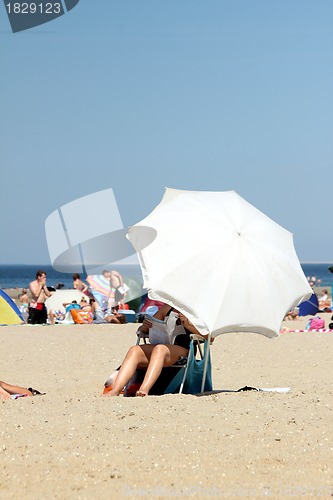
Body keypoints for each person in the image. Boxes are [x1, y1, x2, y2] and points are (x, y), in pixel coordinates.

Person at [105, 304, 206, 397]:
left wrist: (188, 325)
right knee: (134, 350)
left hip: (183, 349)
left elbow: (209, 337)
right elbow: (143, 330)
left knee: (160, 349)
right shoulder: (167, 309)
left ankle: (144, 389)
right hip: (163, 345)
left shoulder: (196, 312)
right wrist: (145, 326)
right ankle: (116, 390)